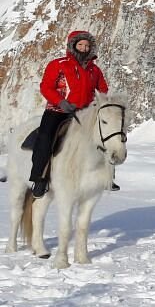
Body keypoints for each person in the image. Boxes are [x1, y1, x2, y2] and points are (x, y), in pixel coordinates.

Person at [30, 30, 109, 198]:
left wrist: (97, 103)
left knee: (106, 135)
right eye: (80, 44)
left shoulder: (95, 70)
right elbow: (46, 87)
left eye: (87, 45)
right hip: (58, 111)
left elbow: (102, 89)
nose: (84, 48)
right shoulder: (58, 64)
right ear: (73, 45)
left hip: (84, 113)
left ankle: (107, 175)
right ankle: (40, 178)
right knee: (46, 138)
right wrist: (61, 102)